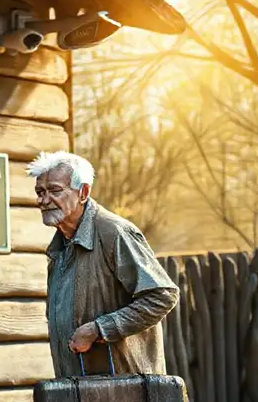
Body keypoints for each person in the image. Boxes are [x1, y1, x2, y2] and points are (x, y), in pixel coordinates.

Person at [26, 151, 179, 377]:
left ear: (83, 192)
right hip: (79, 391)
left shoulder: (114, 232)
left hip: (126, 391)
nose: (44, 200)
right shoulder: (59, 247)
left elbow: (162, 296)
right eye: (40, 192)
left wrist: (99, 329)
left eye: (55, 190)